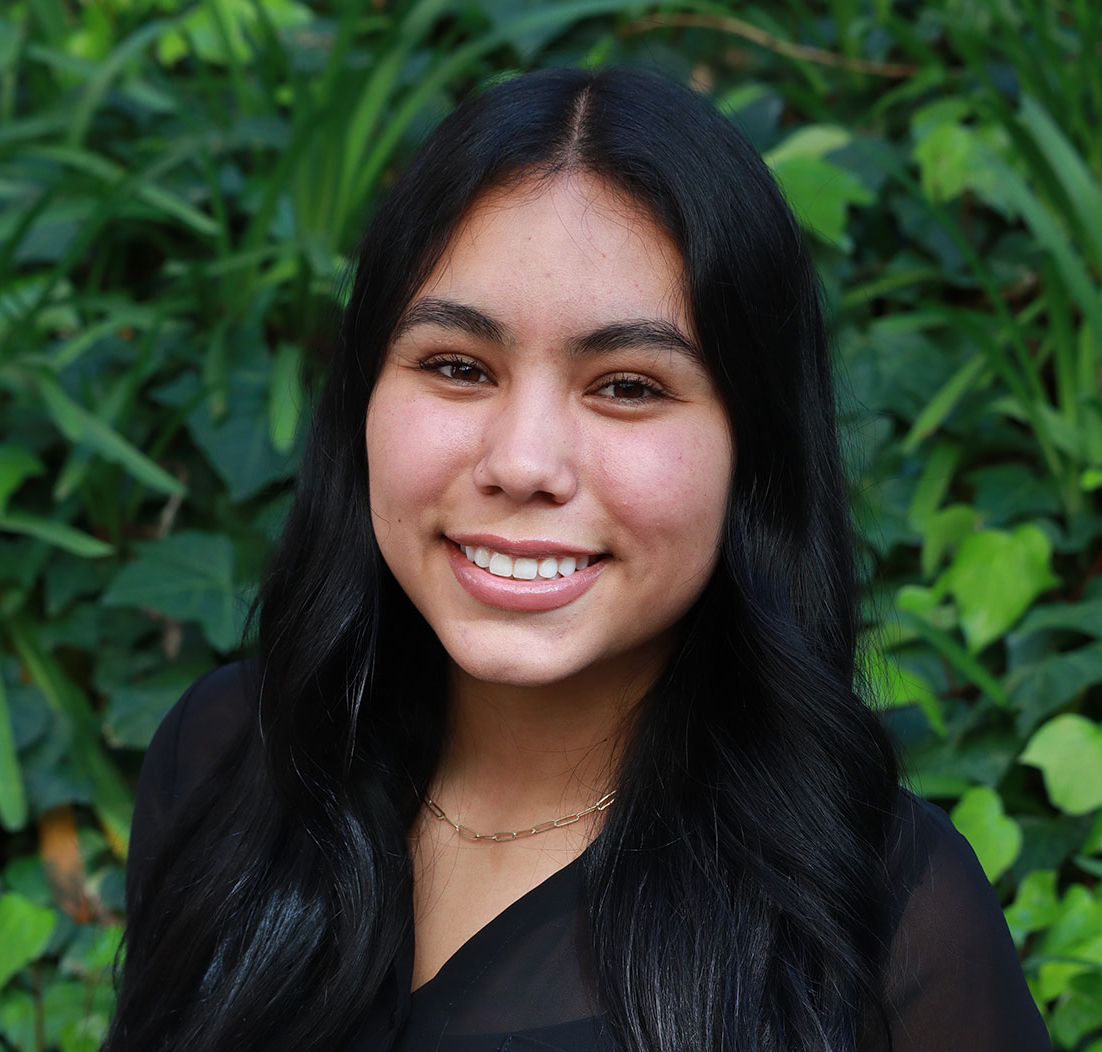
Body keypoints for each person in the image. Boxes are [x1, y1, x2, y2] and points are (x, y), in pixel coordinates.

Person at [104, 68, 1050, 1052]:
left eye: (627, 385)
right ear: (361, 401)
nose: (521, 463)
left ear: (751, 451)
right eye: (458, 366)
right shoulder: (234, 760)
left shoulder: (888, 914)